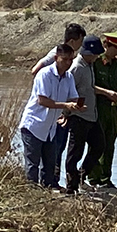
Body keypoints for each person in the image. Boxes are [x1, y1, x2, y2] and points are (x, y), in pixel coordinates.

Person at [19, 43, 80, 187]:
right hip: (34, 124)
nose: (68, 63)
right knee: (32, 164)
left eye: (71, 60)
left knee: (50, 164)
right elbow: (43, 100)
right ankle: (30, 192)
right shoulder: (45, 74)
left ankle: (47, 193)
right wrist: (65, 105)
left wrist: (72, 108)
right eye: (65, 59)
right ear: (56, 58)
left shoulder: (69, 77)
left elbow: (73, 97)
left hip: (50, 127)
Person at [88, 32, 117, 188]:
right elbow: (89, 86)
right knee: (96, 143)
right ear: (106, 45)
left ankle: (105, 178)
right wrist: (107, 93)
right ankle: (92, 177)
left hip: (113, 110)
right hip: (98, 108)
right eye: (115, 48)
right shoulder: (95, 63)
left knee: (110, 145)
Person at [63, 34, 107, 194]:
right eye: (95, 54)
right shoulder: (76, 68)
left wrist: (107, 93)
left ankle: (81, 176)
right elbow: (67, 90)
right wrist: (66, 112)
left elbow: (89, 87)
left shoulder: (89, 65)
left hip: (91, 115)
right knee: (75, 152)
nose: (97, 57)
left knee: (99, 146)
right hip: (78, 116)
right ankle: (71, 186)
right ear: (89, 52)